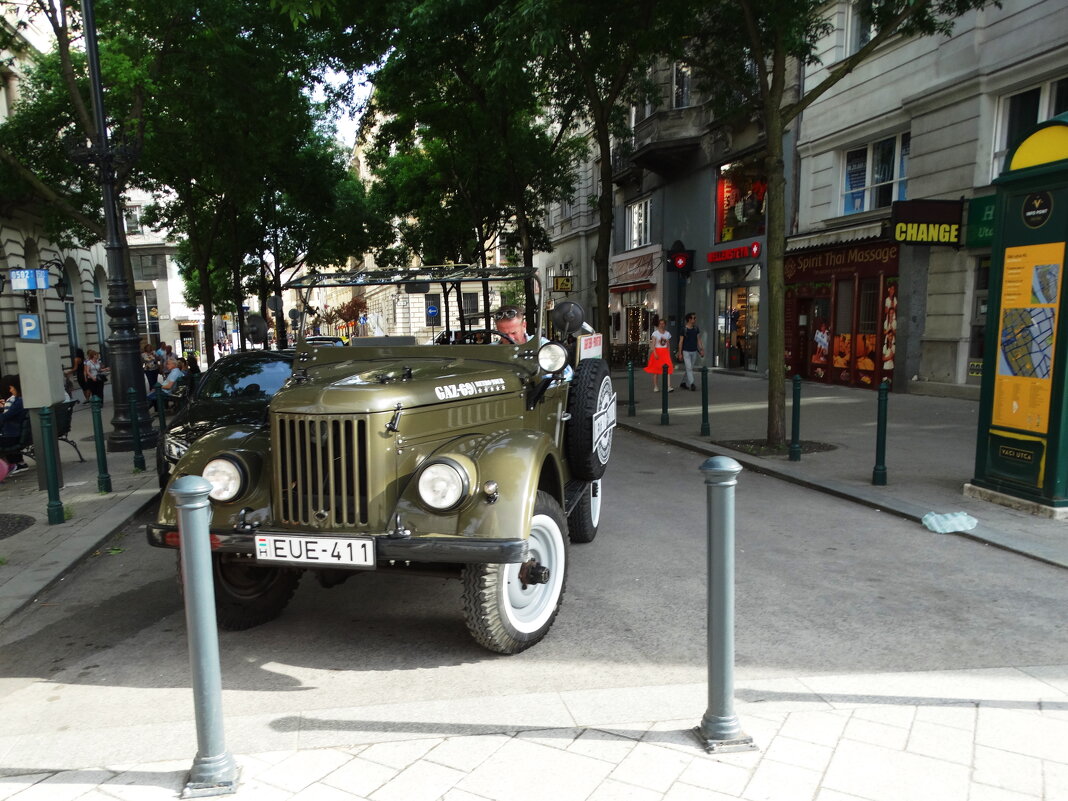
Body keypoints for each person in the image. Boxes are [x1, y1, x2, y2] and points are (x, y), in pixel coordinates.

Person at [493, 304, 572, 380]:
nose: (510, 338)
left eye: (514, 333)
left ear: (524, 326)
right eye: (504, 334)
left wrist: (543, 383)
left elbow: (567, 374)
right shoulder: (490, 350)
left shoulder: (542, 345)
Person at [0, 375, 29, 474]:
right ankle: (10, 464)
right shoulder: (21, 400)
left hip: (12, 437)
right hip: (16, 435)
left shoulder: (19, 402)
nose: (11, 390)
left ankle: (9, 465)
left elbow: (4, 417)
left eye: (12, 387)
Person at [676, 312, 704, 391]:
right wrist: (680, 353)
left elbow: (698, 339)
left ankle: (683, 382)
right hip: (686, 351)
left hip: (694, 351)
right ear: (689, 319)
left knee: (690, 368)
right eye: (693, 318)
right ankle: (692, 384)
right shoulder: (684, 329)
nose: (695, 319)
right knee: (689, 368)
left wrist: (701, 349)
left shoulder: (696, 328)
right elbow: (681, 341)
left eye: (695, 318)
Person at [643, 318, 674, 392]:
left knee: (668, 369)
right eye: (660, 324)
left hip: (665, 352)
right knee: (656, 370)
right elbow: (653, 344)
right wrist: (655, 353)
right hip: (657, 351)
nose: (662, 325)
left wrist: (669, 353)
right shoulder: (655, 333)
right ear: (658, 325)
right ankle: (656, 386)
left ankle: (668, 386)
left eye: (663, 324)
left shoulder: (667, 334)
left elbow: (668, 345)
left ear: (665, 325)